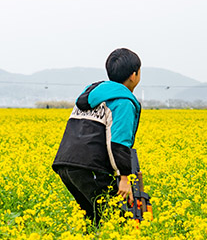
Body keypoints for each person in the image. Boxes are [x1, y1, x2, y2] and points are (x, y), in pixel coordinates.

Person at [52, 48, 143, 227]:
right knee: (115, 220)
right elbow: (118, 143)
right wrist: (125, 178)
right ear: (134, 75)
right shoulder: (123, 101)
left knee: (94, 217)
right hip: (90, 167)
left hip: (66, 164)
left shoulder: (92, 94)